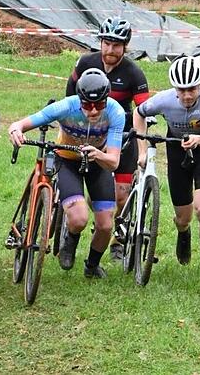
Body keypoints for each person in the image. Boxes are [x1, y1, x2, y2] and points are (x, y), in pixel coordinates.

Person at [8, 69, 124, 278]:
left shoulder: (115, 112)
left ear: (107, 100)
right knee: (79, 219)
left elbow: (113, 162)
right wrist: (15, 130)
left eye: (99, 105)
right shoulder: (66, 106)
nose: (93, 111)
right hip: (67, 160)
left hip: (98, 162)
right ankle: (70, 240)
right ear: (79, 100)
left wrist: (98, 154)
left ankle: (92, 265)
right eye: (87, 105)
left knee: (106, 225)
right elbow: (23, 123)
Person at [134, 56, 200, 276]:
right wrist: (142, 150)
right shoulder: (164, 100)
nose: (186, 95)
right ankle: (183, 232)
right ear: (174, 88)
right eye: (182, 90)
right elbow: (139, 114)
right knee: (183, 218)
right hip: (177, 151)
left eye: (192, 89)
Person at [65, 16, 149, 261]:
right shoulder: (85, 63)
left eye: (117, 45)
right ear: (100, 42)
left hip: (120, 134)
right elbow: (69, 97)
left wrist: (143, 144)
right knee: (95, 191)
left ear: (125, 46)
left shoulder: (134, 73)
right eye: (107, 43)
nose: (111, 50)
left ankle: (116, 240)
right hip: (89, 132)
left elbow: (143, 109)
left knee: (122, 193)